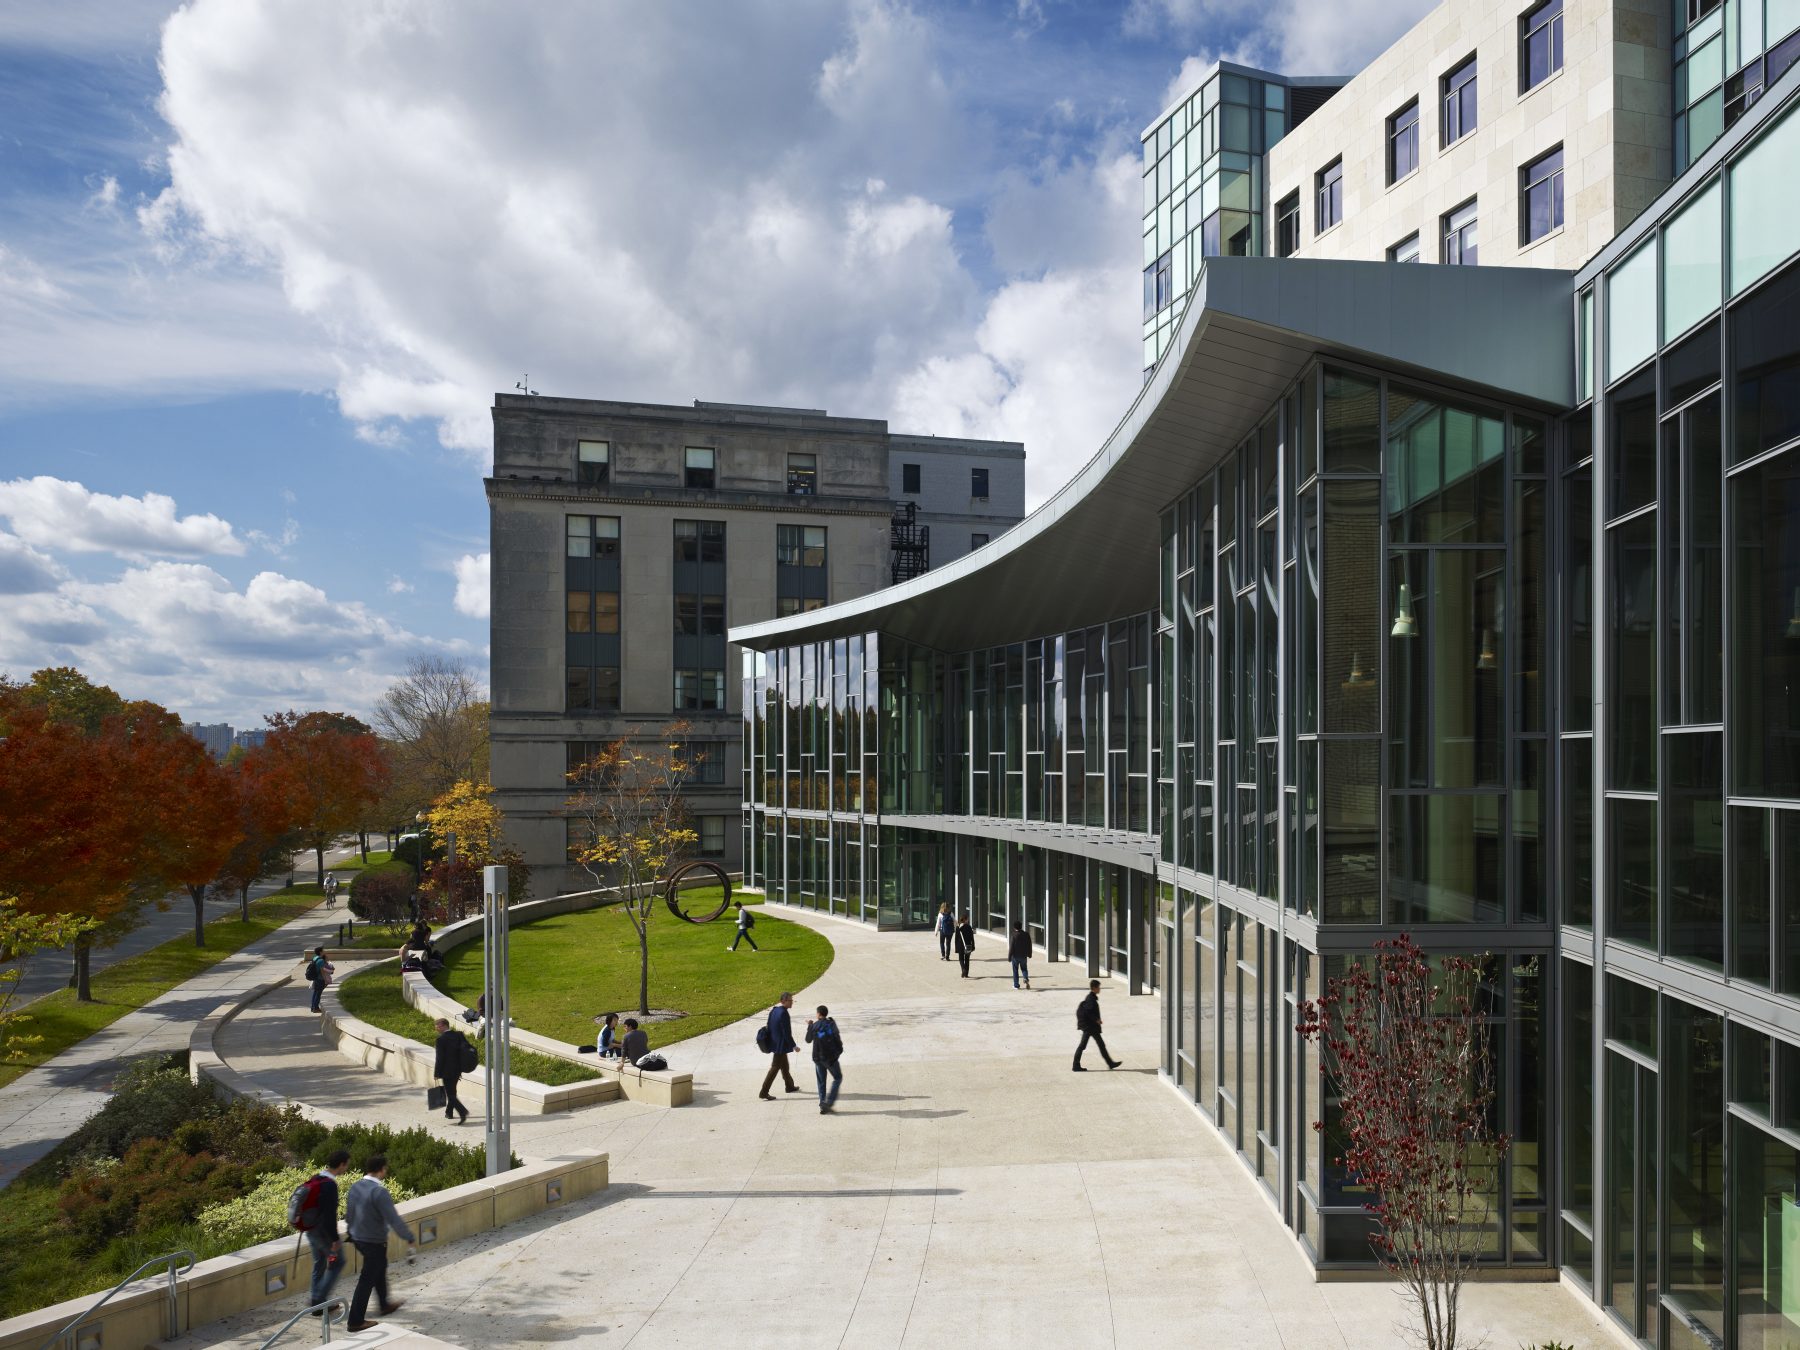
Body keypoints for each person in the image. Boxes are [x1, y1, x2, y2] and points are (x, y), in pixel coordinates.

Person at [343, 1154, 415, 1332]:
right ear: (382, 1169)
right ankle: (355, 1321)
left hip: (358, 1238)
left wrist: (351, 1232)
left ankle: (384, 1304)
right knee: (367, 1278)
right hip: (373, 1241)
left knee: (380, 1266)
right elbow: (393, 1219)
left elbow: (349, 1214)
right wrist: (409, 1237)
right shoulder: (379, 1192)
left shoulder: (356, 1186)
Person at [300, 1149, 352, 1314]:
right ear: (342, 1164)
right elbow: (329, 1215)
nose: (346, 1168)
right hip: (323, 1233)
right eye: (347, 1165)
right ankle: (318, 1300)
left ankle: (317, 1305)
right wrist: (335, 1240)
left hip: (311, 1229)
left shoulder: (317, 1178)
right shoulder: (329, 1185)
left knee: (320, 1263)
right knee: (338, 1262)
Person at [758, 992, 802, 1099]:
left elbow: (769, 1025)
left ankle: (789, 1086)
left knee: (784, 1066)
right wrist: (794, 1045)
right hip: (780, 1046)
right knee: (775, 1067)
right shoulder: (784, 1014)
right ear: (783, 1001)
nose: (792, 1002)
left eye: (792, 1000)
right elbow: (786, 1033)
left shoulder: (774, 1010)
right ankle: (764, 1092)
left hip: (775, 1043)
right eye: (790, 1000)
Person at [1072, 979, 1121, 1071]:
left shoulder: (1091, 997)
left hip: (1091, 1027)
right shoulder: (1091, 999)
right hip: (1089, 1027)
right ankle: (1075, 1065)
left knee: (1101, 1045)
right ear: (1094, 988)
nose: (1100, 989)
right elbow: (1088, 1011)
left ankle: (1110, 1063)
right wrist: (1096, 1020)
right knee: (1083, 1045)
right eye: (1098, 987)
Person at [804, 1004, 844, 1114]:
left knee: (821, 1081)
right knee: (838, 1078)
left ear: (818, 1014)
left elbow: (808, 1040)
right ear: (826, 1014)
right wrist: (839, 1052)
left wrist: (810, 1026)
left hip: (818, 1058)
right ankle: (829, 1102)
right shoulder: (831, 1024)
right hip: (830, 1059)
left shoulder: (814, 1026)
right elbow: (837, 1038)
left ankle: (822, 1103)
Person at [432, 1017, 471, 1124]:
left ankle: (463, 1112)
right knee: (452, 1091)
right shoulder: (458, 1035)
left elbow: (440, 1058)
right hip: (458, 1070)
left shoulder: (441, 1040)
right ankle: (449, 1112)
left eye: (438, 1026)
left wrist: (436, 1073)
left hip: (446, 1072)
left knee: (450, 1094)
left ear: (444, 1026)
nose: (436, 1028)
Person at [305, 947, 335, 1013]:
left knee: (315, 993)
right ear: (320, 952)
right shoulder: (321, 960)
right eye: (323, 950)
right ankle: (316, 1008)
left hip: (315, 978)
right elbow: (322, 971)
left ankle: (313, 1007)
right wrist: (325, 980)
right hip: (320, 979)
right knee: (318, 994)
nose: (324, 951)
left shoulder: (315, 958)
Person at [1008, 923, 1032, 990]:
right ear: (1021, 927)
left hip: (1015, 956)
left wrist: (1009, 957)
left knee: (1015, 970)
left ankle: (1016, 985)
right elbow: (1029, 945)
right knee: (1024, 968)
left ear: (1014, 927)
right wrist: (1029, 954)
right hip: (1024, 956)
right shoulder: (1026, 934)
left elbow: (1011, 947)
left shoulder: (1014, 935)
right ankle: (1025, 978)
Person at [952, 913, 975, 978]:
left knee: (961, 959)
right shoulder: (969, 927)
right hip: (968, 945)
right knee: (967, 959)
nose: (968, 920)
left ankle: (963, 969)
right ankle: (966, 974)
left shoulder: (958, 927)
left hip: (960, 946)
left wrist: (956, 948)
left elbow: (956, 938)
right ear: (965, 920)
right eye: (967, 919)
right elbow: (972, 938)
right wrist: (973, 946)